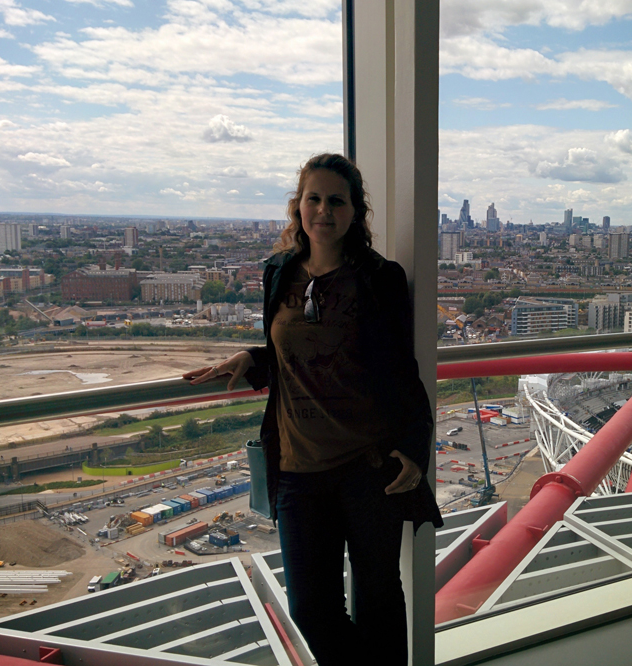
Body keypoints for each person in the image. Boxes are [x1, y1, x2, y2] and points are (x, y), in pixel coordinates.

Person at [184, 153, 442, 665]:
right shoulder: (278, 272)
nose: (324, 211)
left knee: (378, 601)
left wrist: (415, 448)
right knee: (310, 609)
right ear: (298, 207)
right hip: (297, 469)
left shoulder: (378, 278)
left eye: (336, 201)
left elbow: (400, 370)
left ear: (355, 211)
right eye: (314, 199)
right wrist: (254, 358)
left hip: (369, 469)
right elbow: (288, 349)